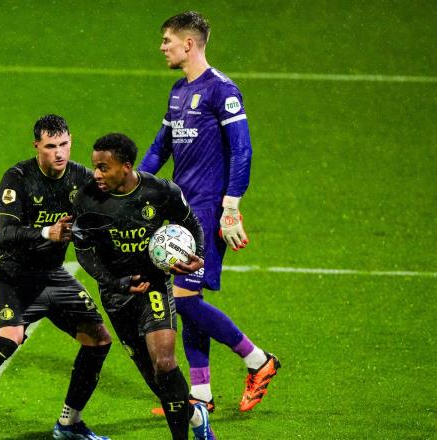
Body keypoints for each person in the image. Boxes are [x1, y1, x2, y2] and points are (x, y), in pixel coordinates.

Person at [0, 115, 113, 440]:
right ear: (36, 146)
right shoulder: (18, 178)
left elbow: (109, 217)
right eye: (50, 146)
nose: (58, 153)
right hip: (8, 270)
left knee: (98, 338)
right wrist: (49, 231)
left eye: (63, 144)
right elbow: (4, 232)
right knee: (8, 337)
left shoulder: (81, 179)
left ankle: (69, 423)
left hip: (49, 273)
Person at [138, 11, 280, 414]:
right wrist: (130, 187)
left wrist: (231, 206)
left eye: (167, 40)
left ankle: (259, 361)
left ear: (189, 44)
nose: (162, 47)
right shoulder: (178, 92)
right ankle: (200, 394)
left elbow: (243, 149)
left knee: (182, 300)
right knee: (187, 296)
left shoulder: (222, 90)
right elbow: (158, 148)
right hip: (183, 210)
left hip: (207, 210)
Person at [73, 132, 216, 440]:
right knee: (156, 380)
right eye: (94, 166)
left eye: (103, 167)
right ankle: (195, 416)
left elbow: (191, 224)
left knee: (165, 362)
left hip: (154, 286)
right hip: (116, 295)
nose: (96, 174)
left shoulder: (160, 192)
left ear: (126, 166)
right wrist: (116, 282)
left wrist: (198, 257)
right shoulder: (87, 199)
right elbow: (83, 252)